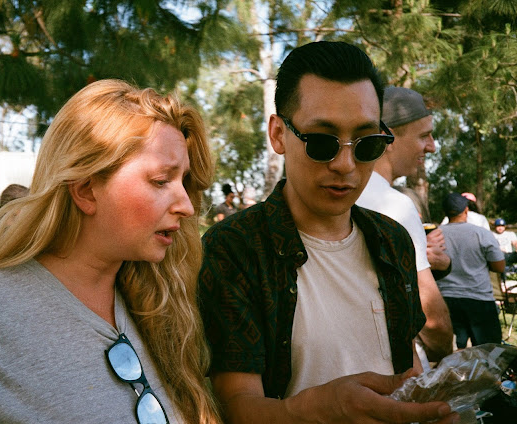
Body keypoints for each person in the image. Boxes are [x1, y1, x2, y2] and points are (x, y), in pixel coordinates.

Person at [0, 80, 221, 423]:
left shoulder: (158, 306)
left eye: (183, 182)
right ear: (86, 190)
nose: (185, 206)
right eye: (161, 181)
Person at [199, 41, 457, 423]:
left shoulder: (393, 240)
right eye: (322, 142)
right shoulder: (235, 248)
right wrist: (313, 411)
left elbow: (405, 370)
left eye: (366, 143)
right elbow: (235, 405)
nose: (345, 164)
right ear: (278, 134)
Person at [356, 86, 453, 363]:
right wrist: (445, 351)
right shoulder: (395, 205)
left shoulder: (344, 194)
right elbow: (431, 320)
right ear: (386, 137)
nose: (432, 146)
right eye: (424, 135)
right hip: (397, 369)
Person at [437, 193, 505, 349]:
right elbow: (499, 267)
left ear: (445, 212)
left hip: (446, 299)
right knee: (488, 352)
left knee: (453, 353)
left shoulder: (435, 235)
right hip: (479, 299)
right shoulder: (482, 233)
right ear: (466, 210)